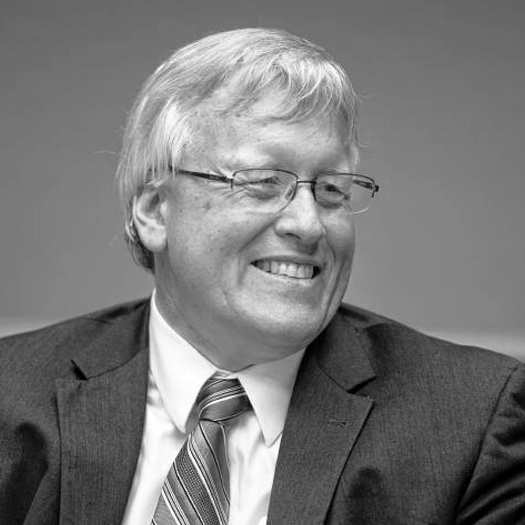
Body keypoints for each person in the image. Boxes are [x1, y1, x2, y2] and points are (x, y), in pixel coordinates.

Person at [0, 27, 524, 525]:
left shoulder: (471, 421)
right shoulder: (12, 395)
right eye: (263, 182)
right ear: (156, 211)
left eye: (332, 190)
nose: (308, 224)